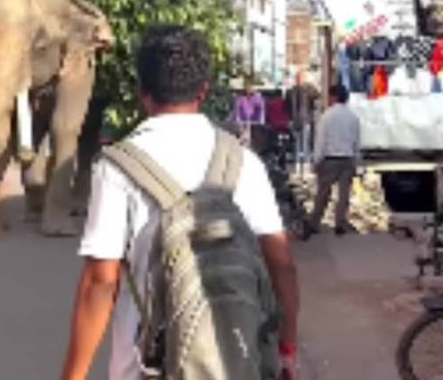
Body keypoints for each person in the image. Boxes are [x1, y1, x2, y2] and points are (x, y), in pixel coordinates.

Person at [60, 25, 300, 380]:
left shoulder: (117, 168)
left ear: (143, 92)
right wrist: (287, 347)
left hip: (147, 368)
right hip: (239, 361)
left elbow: (101, 282)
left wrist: (73, 375)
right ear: (204, 91)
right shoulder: (242, 161)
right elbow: (280, 263)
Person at [307, 84, 362, 237]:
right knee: (344, 194)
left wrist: (316, 160)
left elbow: (321, 140)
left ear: (333, 97)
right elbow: (357, 142)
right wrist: (358, 162)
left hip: (329, 159)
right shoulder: (353, 117)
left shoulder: (327, 116)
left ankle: (314, 223)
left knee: (323, 193)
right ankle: (340, 222)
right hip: (347, 159)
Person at [235, 80, 266, 146]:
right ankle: (243, 141)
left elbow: (260, 111)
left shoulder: (258, 98)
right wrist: (240, 120)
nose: (249, 89)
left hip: (255, 121)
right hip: (244, 121)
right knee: (243, 127)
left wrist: (256, 120)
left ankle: (246, 141)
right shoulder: (241, 99)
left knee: (249, 127)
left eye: (251, 87)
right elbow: (238, 111)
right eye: (247, 88)